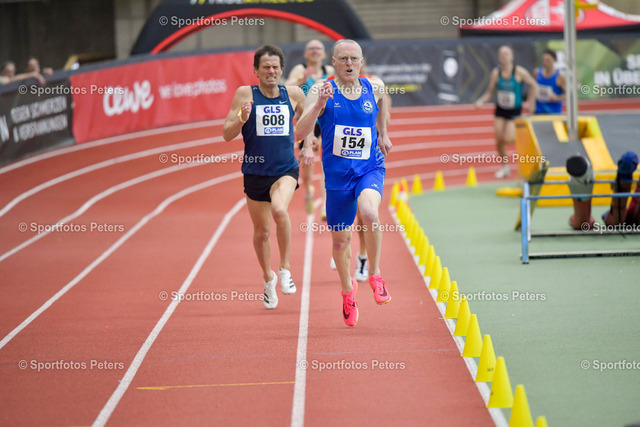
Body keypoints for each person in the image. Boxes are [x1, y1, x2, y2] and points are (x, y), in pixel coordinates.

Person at [296, 39, 392, 327]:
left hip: (369, 167)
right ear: (334, 62)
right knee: (341, 241)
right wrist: (319, 106)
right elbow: (300, 131)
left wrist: (383, 133)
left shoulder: (375, 86)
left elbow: (383, 101)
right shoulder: (319, 90)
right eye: (344, 59)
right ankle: (348, 292)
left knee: (370, 212)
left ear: (361, 62)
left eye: (354, 58)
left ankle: (375, 274)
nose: (349, 63)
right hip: (337, 177)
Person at [222, 45, 314, 310]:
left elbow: (309, 120)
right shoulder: (245, 94)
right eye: (266, 67)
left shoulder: (293, 93)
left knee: (279, 210)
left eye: (275, 67)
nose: (271, 71)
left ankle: (285, 269)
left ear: (282, 70)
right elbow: (227, 134)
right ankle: (268, 278)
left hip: (285, 169)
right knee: (262, 232)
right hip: (255, 172)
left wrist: (308, 144)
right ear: (256, 70)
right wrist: (241, 118)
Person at [285, 40, 335, 218]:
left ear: (324, 53)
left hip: (325, 122)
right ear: (306, 53)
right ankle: (308, 191)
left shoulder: (330, 71)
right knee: (307, 168)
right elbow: (286, 88)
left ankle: (325, 205)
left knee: (326, 163)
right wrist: (301, 81)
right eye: (311, 49)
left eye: (318, 48)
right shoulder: (300, 69)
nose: (315, 51)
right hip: (306, 123)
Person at [475, 45, 538, 179]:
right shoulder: (496, 73)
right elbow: (490, 91)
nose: (504, 57)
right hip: (500, 109)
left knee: (508, 138)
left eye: (506, 54)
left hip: (514, 110)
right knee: (498, 140)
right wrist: (481, 101)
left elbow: (533, 84)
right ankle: (505, 167)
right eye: (501, 54)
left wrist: (530, 102)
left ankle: (526, 146)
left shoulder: (519, 72)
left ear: (512, 56)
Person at [534, 49, 565, 114]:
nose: (545, 62)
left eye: (548, 60)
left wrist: (557, 98)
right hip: (538, 112)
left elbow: (568, 95)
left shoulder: (559, 77)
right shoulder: (537, 72)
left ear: (554, 60)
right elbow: (532, 89)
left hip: (554, 113)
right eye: (544, 60)